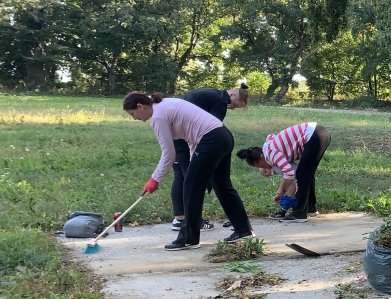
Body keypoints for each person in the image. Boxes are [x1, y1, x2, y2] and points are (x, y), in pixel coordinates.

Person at [123, 92, 253, 250]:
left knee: (191, 187)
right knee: (221, 185)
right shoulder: (164, 105)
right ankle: (243, 230)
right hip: (223, 137)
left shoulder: (158, 116)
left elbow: (168, 154)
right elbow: (191, 136)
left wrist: (155, 179)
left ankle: (188, 238)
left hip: (211, 139)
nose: (134, 118)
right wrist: (193, 163)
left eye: (132, 114)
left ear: (140, 106)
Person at [171, 84, 249, 232]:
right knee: (192, 182)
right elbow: (211, 130)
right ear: (232, 95)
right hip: (186, 139)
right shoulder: (221, 101)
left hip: (177, 133)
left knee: (182, 176)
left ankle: (179, 218)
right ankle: (194, 222)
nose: (232, 108)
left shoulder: (210, 93)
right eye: (235, 105)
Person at [236, 122, 331, 222]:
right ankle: (310, 208)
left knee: (302, 174)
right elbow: (271, 136)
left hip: (314, 135)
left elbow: (290, 173)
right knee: (307, 173)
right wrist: (265, 168)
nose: (267, 168)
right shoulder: (268, 147)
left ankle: (299, 214)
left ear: (262, 157)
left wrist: (281, 190)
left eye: (263, 166)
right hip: (320, 132)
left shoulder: (271, 153)